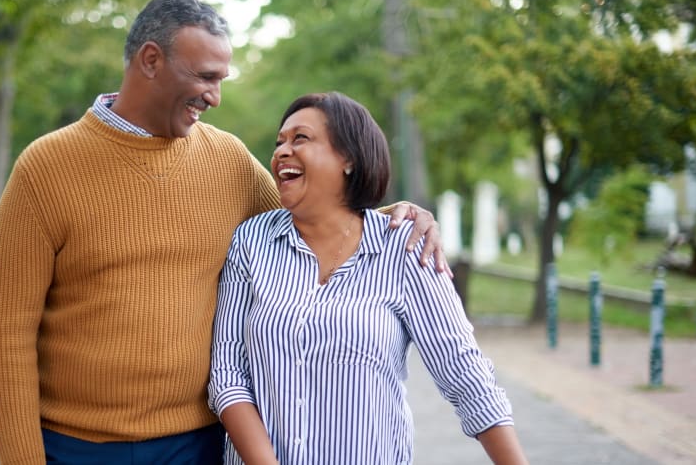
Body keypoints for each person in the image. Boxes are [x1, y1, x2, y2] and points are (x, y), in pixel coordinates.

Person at [0, 0, 447, 465]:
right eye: (204, 76)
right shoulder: (46, 168)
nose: (215, 96)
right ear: (151, 60)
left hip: (199, 446)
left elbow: (314, 219)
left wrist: (390, 215)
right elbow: (6, 337)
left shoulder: (229, 161)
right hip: (76, 448)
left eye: (221, 79)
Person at [208, 92, 528, 464]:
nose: (281, 151)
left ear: (349, 158)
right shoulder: (252, 241)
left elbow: (463, 371)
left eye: (301, 138)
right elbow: (228, 375)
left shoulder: (405, 248)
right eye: (279, 142)